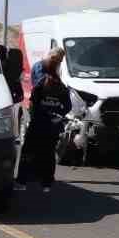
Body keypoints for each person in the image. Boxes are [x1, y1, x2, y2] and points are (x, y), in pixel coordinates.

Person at [18, 51, 71, 192]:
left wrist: (39, 115)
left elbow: (34, 102)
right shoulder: (61, 86)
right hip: (53, 126)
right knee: (48, 153)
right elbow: (68, 107)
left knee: (27, 151)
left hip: (38, 124)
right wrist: (57, 115)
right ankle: (47, 184)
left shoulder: (41, 84)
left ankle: (22, 182)